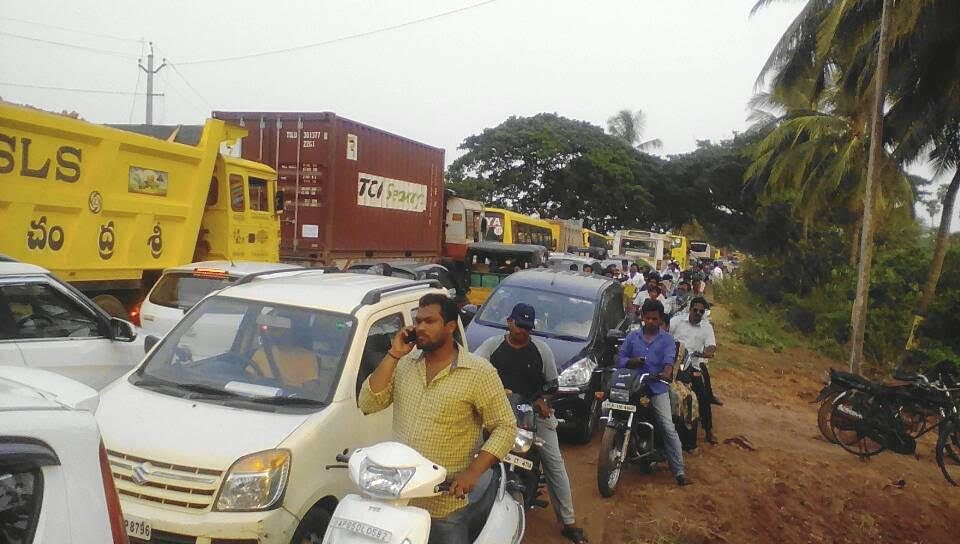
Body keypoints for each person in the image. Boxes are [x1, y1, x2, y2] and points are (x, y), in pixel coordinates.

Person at [358, 293, 517, 544]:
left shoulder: (478, 373)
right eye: (418, 321)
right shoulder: (404, 364)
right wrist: (394, 354)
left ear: (450, 326)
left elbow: (505, 427)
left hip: (443, 505)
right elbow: (368, 403)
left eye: (429, 321)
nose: (420, 327)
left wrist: (472, 473)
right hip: (396, 498)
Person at [473, 304, 589, 544]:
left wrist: (542, 400)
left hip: (532, 414)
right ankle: (463, 504)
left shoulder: (541, 350)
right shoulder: (492, 347)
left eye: (527, 327)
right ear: (509, 322)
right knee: (471, 450)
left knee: (554, 462)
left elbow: (552, 385)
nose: (522, 331)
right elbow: (473, 372)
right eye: (519, 325)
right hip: (496, 412)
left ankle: (568, 521)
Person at [616, 299, 691, 486]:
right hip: (633, 385)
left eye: (654, 319)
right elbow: (620, 358)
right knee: (615, 412)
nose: (650, 321)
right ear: (642, 317)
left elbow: (668, 361)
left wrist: (666, 373)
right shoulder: (632, 336)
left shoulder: (667, 340)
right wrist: (632, 361)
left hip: (657, 386)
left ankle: (679, 471)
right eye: (647, 318)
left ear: (660, 320)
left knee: (667, 425)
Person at [670, 296, 719, 444]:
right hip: (672, 363)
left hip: (692, 366)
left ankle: (708, 430)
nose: (698, 313)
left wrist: (706, 352)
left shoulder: (706, 327)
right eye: (695, 310)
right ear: (690, 309)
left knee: (703, 396)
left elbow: (711, 346)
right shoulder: (677, 321)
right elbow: (664, 334)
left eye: (701, 311)